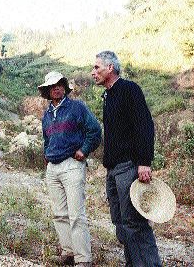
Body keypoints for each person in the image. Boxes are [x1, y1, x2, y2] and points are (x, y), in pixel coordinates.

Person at [91, 51, 162, 266]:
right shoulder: (108, 95)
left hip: (128, 167)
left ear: (110, 68)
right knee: (120, 221)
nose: (93, 72)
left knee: (134, 222)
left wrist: (144, 162)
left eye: (97, 67)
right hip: (113, 169)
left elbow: (145, 126)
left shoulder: (130, 90)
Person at [39, 71, 102, 267]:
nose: (56, 88)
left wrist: (84, 150)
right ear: (48, 91)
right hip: (53, 167)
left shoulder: (77, 108)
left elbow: (95, 130)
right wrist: (47, 158)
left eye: (60, 84)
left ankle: (83, 259)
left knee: (76, 214)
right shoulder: (46, 115)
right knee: (59, 213)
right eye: (52, 86)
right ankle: (68, 252)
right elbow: (47, 140)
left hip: (72, 165)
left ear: (65, 87)